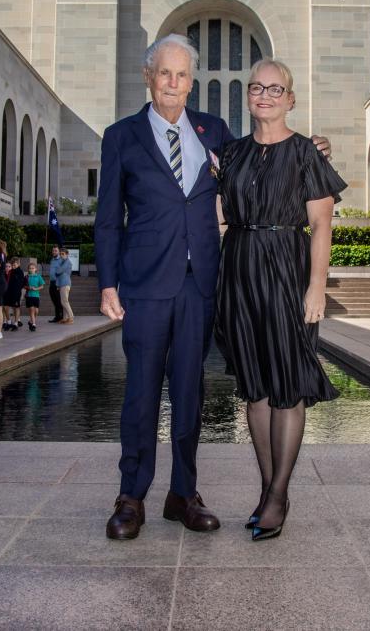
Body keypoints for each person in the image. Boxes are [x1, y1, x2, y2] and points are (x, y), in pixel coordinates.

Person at [95, 34, 330, 542]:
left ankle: (183, 493)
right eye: (165, 73)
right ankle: (130, 496)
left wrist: (314, 149)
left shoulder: (214, 132)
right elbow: (109, 220)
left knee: (189, 394)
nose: (173, 84)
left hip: (202, 284)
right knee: (140, 394)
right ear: (149, 77)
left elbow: (266, 158)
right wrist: (108, 283)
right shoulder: (120, 136)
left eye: (182, 75)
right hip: (146, 285)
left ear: (192, 81)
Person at [215, 59, 345, 541]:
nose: (265, 95)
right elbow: (217, 217)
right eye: (256, 87)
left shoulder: (307, 153)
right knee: (256, 388)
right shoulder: (230, 154)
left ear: (290, 98)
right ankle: (270, 487)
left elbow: (322, 227)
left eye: (276, 88)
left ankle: (277, 496)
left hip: (288, 269)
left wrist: (316, 287)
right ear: (247, 96)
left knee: (287, 381)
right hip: (240, 268)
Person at [2, 257, 25, 331]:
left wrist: (17, 291)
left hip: (16, 293)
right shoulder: (10, 272)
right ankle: (8, 322)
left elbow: (21, 283)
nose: (14, 266)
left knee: (16, 307)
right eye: (13, 265)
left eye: (15, 265)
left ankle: (16, 323)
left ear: (19, 264)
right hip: (8, 292)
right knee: (5, 307)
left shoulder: (20, 272)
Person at [52, 247, 74, 324]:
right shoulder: (62, 262)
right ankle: (65, 318)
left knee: (64, 301)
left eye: (63, 254)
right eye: (60, 254)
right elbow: (58, 274)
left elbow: (58, 271)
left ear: (67, 255)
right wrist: (58, 285)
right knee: (63, 301)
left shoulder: (67, 262)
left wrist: (57, 269)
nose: (61, 255)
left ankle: (71, 317)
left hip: (65, 283)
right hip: (62, 284)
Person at [24, 262, 44, 332]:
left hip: (36, 296)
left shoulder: (38, 276)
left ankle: (30, 321)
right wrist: (28, 287)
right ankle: (34, 324)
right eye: (30, 268)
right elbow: (24, 286)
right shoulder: (26, 277)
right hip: (29, 296)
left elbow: (42, 286)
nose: (31, 269)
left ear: (35, 269)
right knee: (32, 310)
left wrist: (36, 289)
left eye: (33, 268)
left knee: (36, 311)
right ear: (28, 269)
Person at [47, 245, 64, 323]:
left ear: (59, 252)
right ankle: (57, 317)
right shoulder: (52, 260)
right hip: (52, 282)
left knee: (58, 300)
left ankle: (61, 317)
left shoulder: (61, 260)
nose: (54, 252)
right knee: (54, 300)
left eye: (55, 251)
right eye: (53, 250)